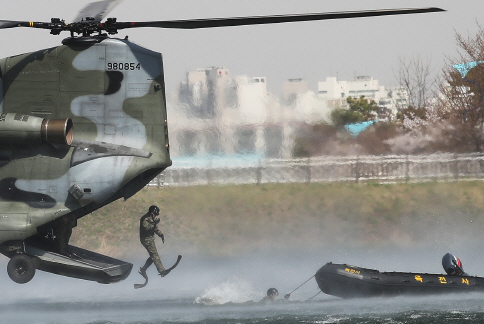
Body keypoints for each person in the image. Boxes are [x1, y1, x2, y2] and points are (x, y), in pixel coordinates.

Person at [139, 205, 167, 277]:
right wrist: (154, 223)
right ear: (152, 213)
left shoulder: (151, 218)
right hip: (146, 240)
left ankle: (143, 270)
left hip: (149, 239)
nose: (155, 216)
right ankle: (162, 270)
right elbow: (146, 228)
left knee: (152, 257)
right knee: (155, 255)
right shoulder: (145, 219)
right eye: (155, 214)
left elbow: (155, 228)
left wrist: (161, 235)